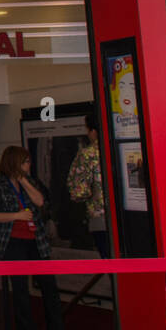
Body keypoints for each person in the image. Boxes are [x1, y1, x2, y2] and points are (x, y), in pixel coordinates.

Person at [0, 146, 79, 330]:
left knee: (49, 286)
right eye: (25, 161)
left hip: (36, 240)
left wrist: (24, 180)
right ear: (15, 162)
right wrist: (16, 216)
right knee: (20, 288)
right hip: (12, 241)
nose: (29, 165)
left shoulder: (32, 183)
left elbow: (40, 202)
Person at [68, 110, 109, 257]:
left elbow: (79, 191)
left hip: (101, 217)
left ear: (93, 130)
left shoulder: (88, 154)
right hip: (132, 215)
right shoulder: (121, 148)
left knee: (111, 263)